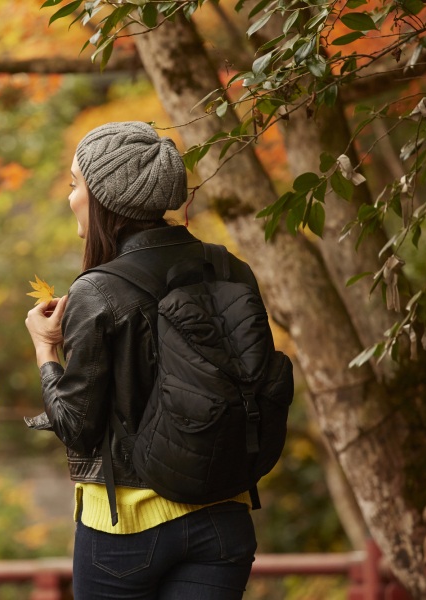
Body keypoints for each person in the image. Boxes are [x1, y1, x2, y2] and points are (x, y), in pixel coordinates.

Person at [24, 121, 258, 599]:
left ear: (106, 199)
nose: (70, 197)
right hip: (223, 514)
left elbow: (77, 425)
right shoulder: (229, 267)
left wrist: (46, 350)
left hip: (124, 528)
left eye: (75, 185)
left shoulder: (97, 289)